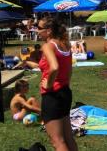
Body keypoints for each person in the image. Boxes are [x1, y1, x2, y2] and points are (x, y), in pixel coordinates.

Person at [37, 17, 78, 151]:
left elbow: (54, 67)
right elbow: (70, 71)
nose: (37, 31)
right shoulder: (65, 45)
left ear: (48, 31)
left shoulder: (48, 46)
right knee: (68, 138)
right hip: (65, 93)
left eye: (39, 28)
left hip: (52, 96)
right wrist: (63, 84)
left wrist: (48, 84)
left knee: (57, 141)